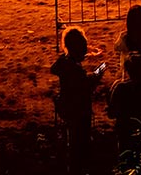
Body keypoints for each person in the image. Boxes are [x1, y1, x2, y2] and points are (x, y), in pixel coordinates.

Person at [51, 27, 103, 175]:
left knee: (73, 138)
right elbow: (86, 86)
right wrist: (96, 76)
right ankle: (78, 167)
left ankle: (73, 163)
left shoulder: (65, 63)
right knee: (80, 141)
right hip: (79, 109)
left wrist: (66, 54)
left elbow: (54, 68)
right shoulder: (75, 69)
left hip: (67, 107)